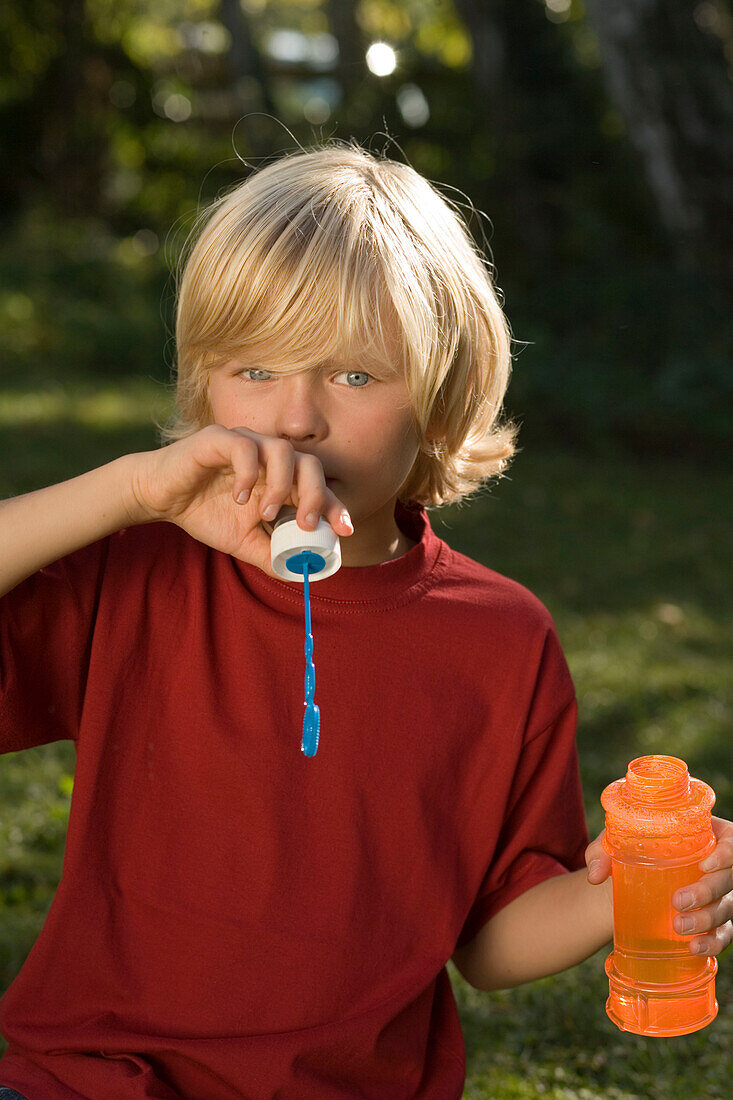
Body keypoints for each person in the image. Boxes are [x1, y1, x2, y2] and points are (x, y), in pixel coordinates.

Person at [0, 139, 730, 1100]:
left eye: (352, 377)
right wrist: (131, 491)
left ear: (439, 401)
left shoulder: (500, 642)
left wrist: (621, 885)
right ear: (202, 383)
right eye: (253, 368)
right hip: (85, 1078)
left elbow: (490, 937)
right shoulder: (137, 574)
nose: (295, 418)